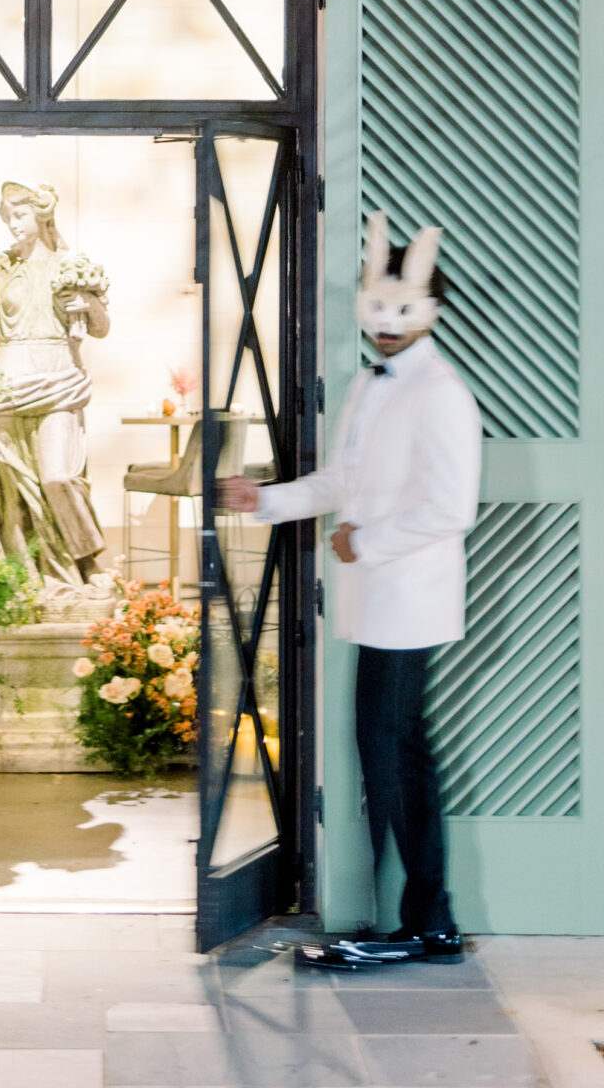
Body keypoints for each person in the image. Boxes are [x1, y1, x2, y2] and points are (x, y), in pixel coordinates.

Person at [219, 211, 480, 967]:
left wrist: (362, 540)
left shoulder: (441, 393)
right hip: (376, 601)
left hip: (411, 601)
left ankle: (427, 923)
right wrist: (263, 500)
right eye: (377, 310)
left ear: (429, 309)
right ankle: (418, 919)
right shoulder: (373, 389)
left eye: (402, 311)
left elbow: (450, 508)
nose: (386, 326)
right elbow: (342, 481)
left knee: (393, 757)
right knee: (385, 756)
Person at [0, 181, 110, 594]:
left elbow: (100, 328)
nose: (12, 225)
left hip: (59, 379)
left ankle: (86, 559)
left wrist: (88, 303)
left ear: (42, 215)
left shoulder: (71, 264)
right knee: (15, 494)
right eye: (7, 218)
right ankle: (26, 579)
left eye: (20, 216)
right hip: (8, 386)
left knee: (57, 476)